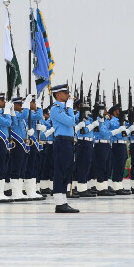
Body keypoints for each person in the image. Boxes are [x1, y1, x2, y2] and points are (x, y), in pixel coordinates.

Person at [48, 84, 79, 213]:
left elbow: (74, 121)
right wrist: (70, 109)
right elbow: (71, 122)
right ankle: (59, 203)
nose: (68, 95)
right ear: (58, 95)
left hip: (68, 142)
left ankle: (64, 200)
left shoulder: (64, 109)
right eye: (65, 93)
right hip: (61, 141)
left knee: (67, 171)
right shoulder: (56, 109)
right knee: (60, 171)